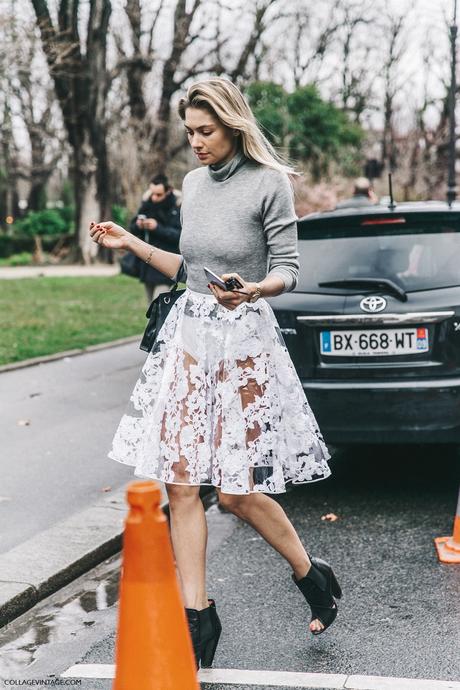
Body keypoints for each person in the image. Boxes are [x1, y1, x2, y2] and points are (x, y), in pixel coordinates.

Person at [89, 77, 341, 670]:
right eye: (190, 134)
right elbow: (189, 267)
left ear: (232, 126)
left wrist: (255, 289)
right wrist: (130, 241)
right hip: (193, 337)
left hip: (246, 339)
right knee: (181, 483)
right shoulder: (193, 185)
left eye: (205, 132)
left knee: (236, 493)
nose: (196, 143)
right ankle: (197, 616)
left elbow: (289, 268)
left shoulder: (268, 184)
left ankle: (311, 574)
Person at [129, 173, 181, 303]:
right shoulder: (146, 205)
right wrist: (139, 225)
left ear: (168, 191)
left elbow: (180, 236)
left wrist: (157, 228)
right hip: (148, 263)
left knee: (159, 307)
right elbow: (132, 229)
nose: (154, 198)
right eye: (152, 193)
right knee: (150, 308)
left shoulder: (177, 207)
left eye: (158, 195)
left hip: (167, 264)